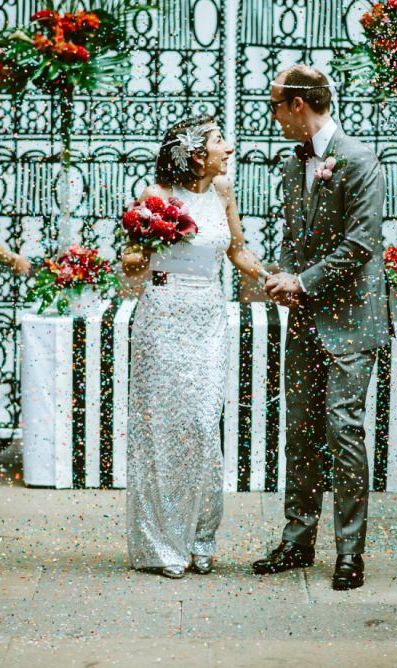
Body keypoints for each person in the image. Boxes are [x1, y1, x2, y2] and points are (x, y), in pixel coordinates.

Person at [254, 65, 388, 591]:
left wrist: (302, 282)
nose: (274, 117)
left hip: (351, 319)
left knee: (344, 430)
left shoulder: (358, 160)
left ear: (298, 106)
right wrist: (285, 279)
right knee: (300, 430)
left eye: (276, 106)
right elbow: (295, 236)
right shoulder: (293, 165)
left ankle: (349, 553)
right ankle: (297, 540)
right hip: (307, 317)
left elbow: (361, 243)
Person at [122, 115, 265, 579]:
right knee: (163, 429)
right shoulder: (155, 196)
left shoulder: (222, 191)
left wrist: (272, 277)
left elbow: (237, 250)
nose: (229, 147)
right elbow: (129, 262)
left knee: (204, 425)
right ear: (197, 153)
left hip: (208, 315)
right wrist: (143, 246)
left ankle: (201, 535)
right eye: (220, 140)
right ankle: (163, 544)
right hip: (163, 314)